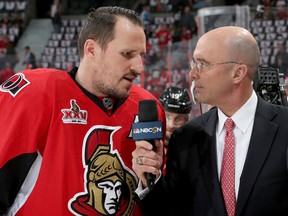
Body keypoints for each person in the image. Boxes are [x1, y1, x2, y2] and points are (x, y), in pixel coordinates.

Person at [0, 6, 166, 216]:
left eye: (141, 55)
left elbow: (165, 204)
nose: (139, 67)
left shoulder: (147, 107)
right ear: (91, 50)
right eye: (127, 54)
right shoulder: (36, 95)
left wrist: (150, 184)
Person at [132, 26, 288, 216]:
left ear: (238, 73)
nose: (192, 74)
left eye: (203, 64)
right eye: (193, 64)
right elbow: (172, 211)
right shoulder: (185, 138)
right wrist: (151, 178)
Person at [159, 86, 192, 174]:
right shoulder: (148, 147)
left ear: (186, 120)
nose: (171, 125)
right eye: (167, 116)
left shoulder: (194, 151)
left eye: (178, 119)